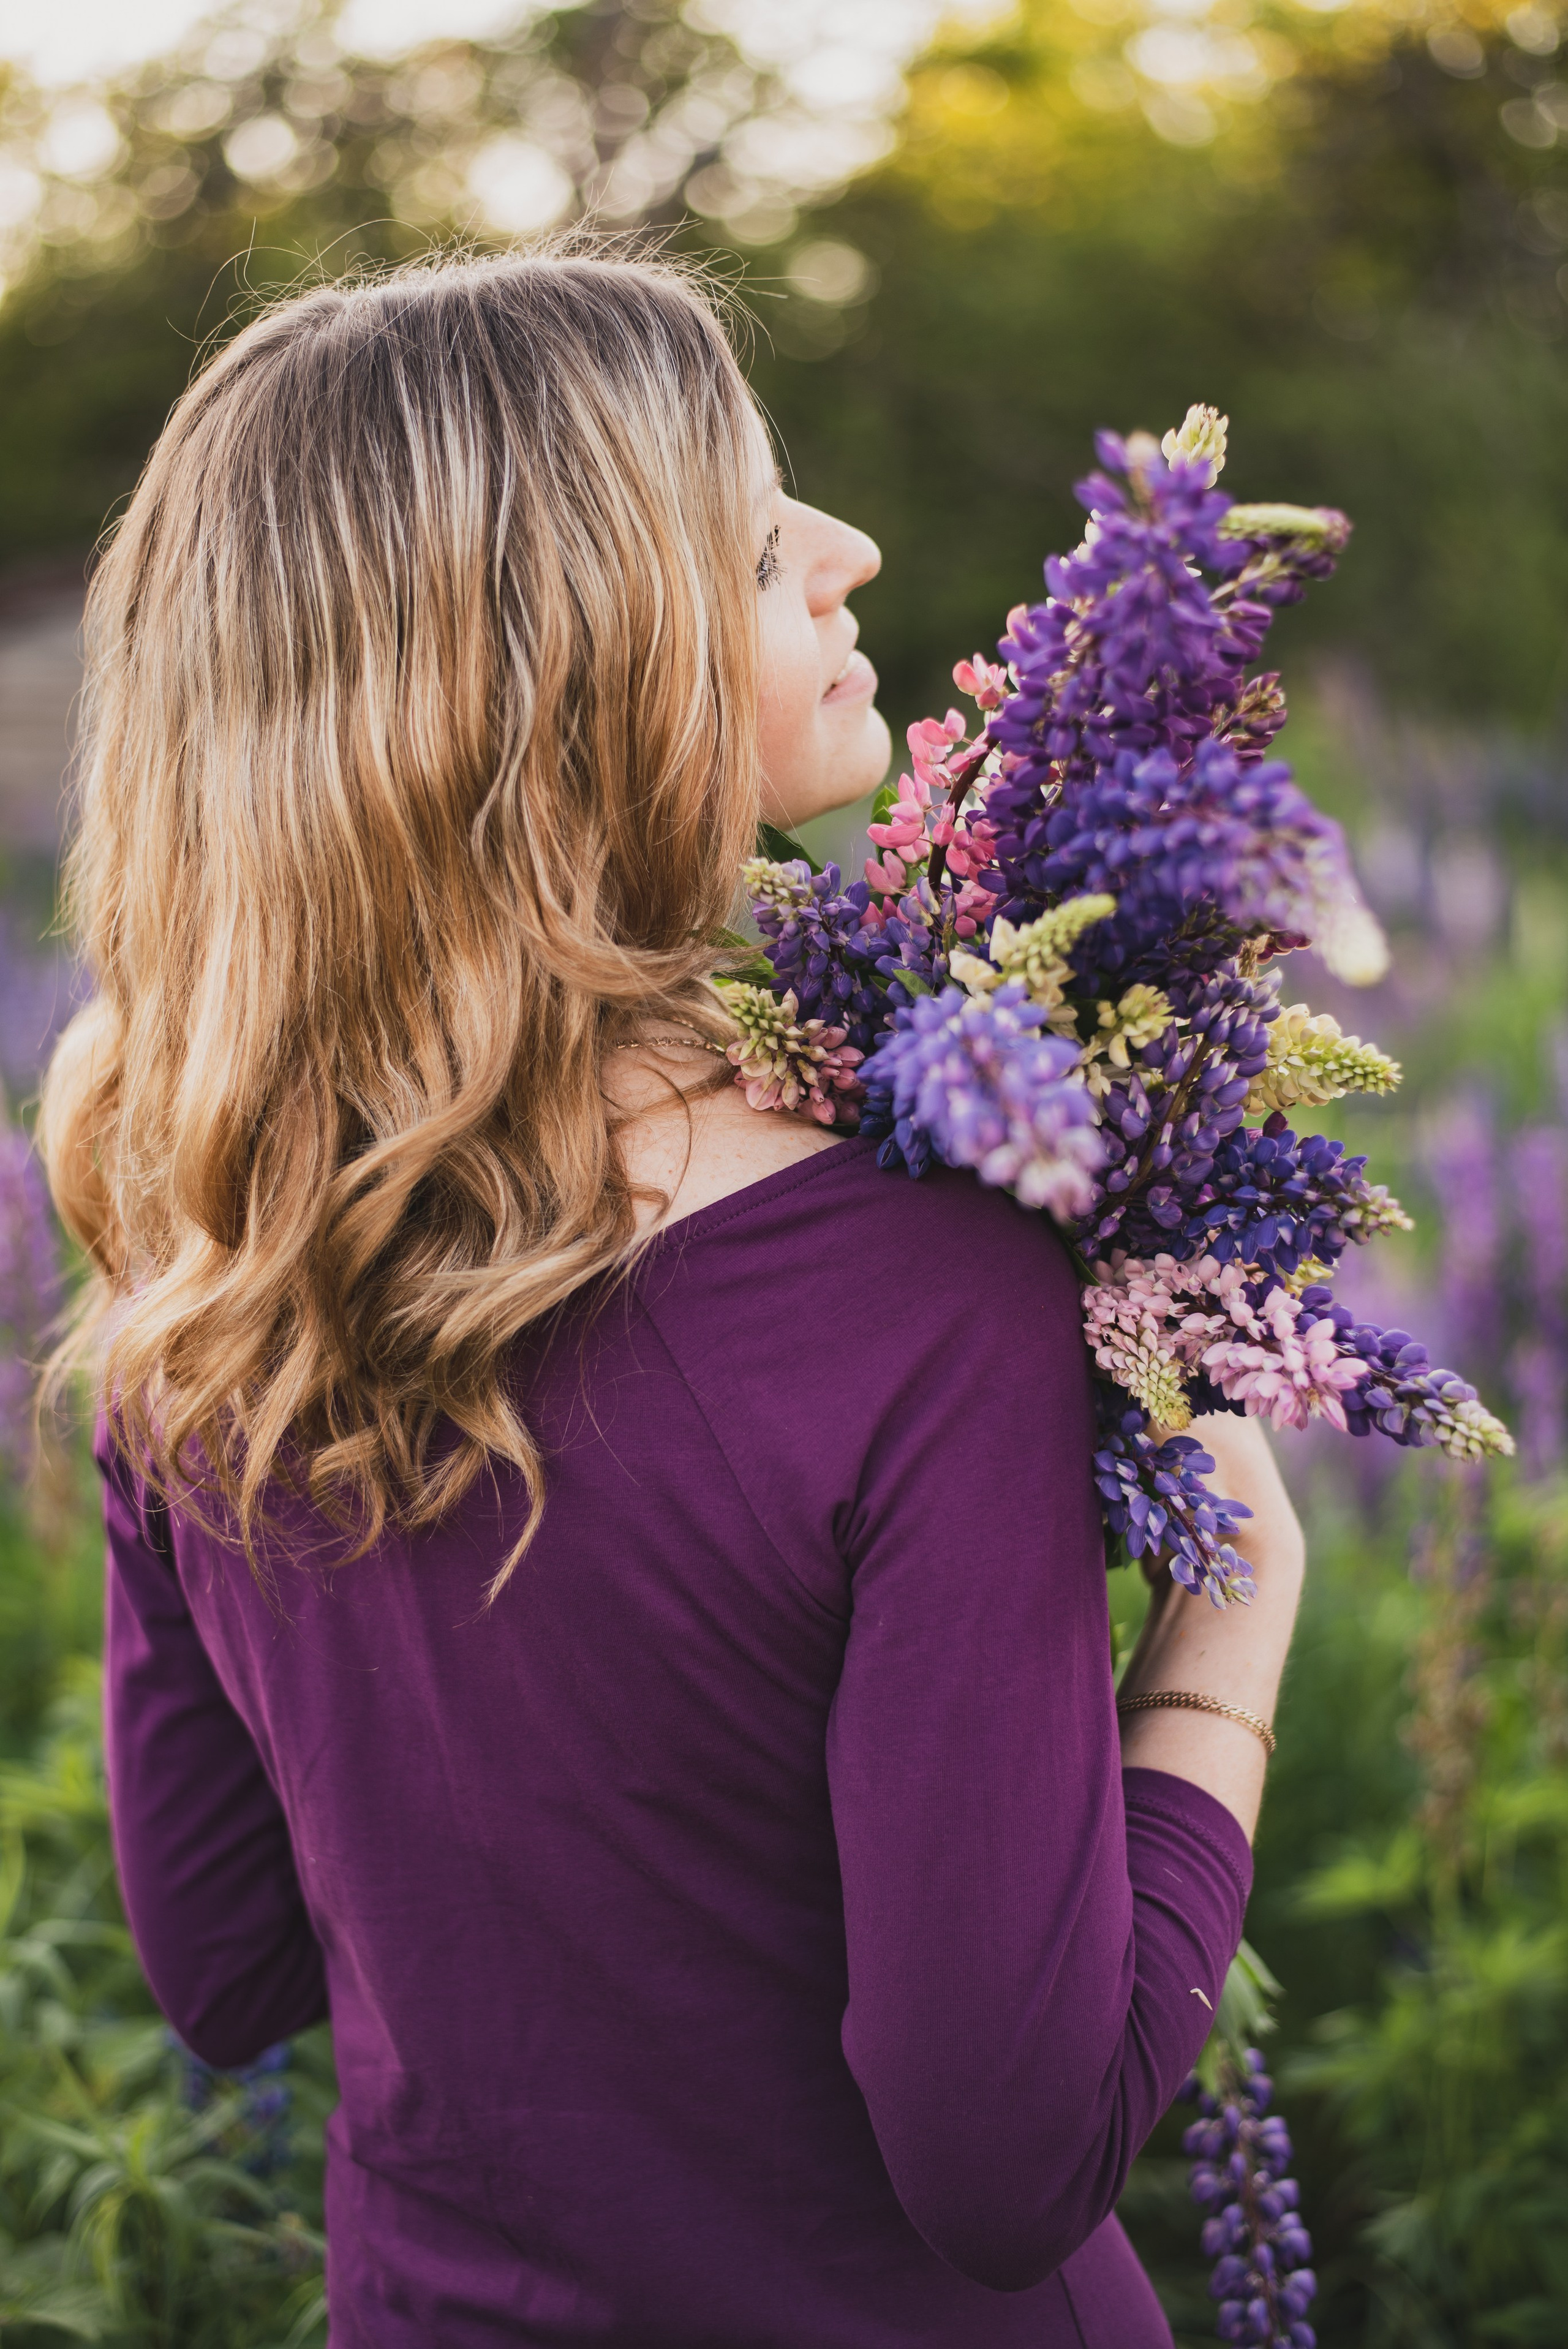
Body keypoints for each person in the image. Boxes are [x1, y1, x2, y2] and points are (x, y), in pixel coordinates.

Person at [40, 248, 1306, 2347]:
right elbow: (1003, 2159)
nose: (848, 549)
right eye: (748, 532)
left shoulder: (211, 1271)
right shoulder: (933, 1279)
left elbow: (233, 1968)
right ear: (564, 675)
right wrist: (1232, 1604)